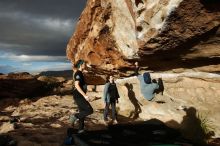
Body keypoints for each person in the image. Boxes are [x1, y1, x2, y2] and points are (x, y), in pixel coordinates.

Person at [69, 60, 93, 133]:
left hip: (78, 96)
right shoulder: (78, 73)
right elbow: (76, 85)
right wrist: (85, 95)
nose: (85, 65)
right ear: (81, 65)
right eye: (84, 64)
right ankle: (74, 116)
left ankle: (81, 129)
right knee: (89, 110)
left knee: (82, 112)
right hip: (79, 96)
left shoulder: (79, 72)